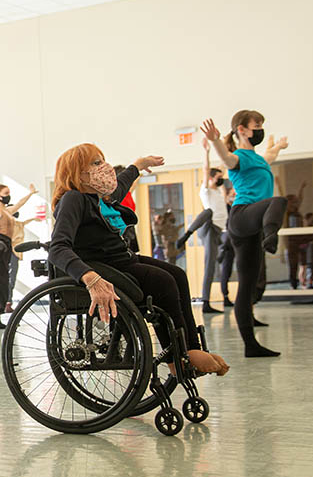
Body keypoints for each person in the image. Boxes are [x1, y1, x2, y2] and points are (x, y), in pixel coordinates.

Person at [47, 144, 228, 376]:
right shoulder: (73, 199)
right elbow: (58, 248)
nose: (105, 168)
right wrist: (90, 278)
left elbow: (120, 186)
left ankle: (191, 349)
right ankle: (177, 360)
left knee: (178, 275)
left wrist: (139, 165)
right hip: (104, 266)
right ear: (77, 172)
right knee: (162, 282)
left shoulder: (97, 198)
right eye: (95, 163)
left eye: (103, 160)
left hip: (123, 260)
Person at [202, 111, 289, 358]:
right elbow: (227, 159)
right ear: (241, 129)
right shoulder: (239, 157)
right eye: (257, 125)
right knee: (278, 201)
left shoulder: (259, 159)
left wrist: (279, 146)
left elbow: (270, 155)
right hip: (243, 216)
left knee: (247, 285)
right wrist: (216, 141)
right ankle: (271, 236)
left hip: (253, 224)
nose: (260, 129)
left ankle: (251, 346)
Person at [174, 139, 228, 313]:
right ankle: (205, 302)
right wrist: (206, 151)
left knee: (223, 259)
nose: (221, 179)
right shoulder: (206, 190)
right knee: (210, 265)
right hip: (209, 227)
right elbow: (206, 170)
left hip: (220, 230)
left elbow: (223, 165)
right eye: (218, 177)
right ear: (212, 178)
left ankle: (225, 297)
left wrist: (224, 144)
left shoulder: (219, 192)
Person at [0, 183, 39, 329]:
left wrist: (30, 194)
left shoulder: (8, 211)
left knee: (2, 281)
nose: (8, 196)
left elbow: (19, 203)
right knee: (0, 246)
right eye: (6, 193)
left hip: (6, 246)